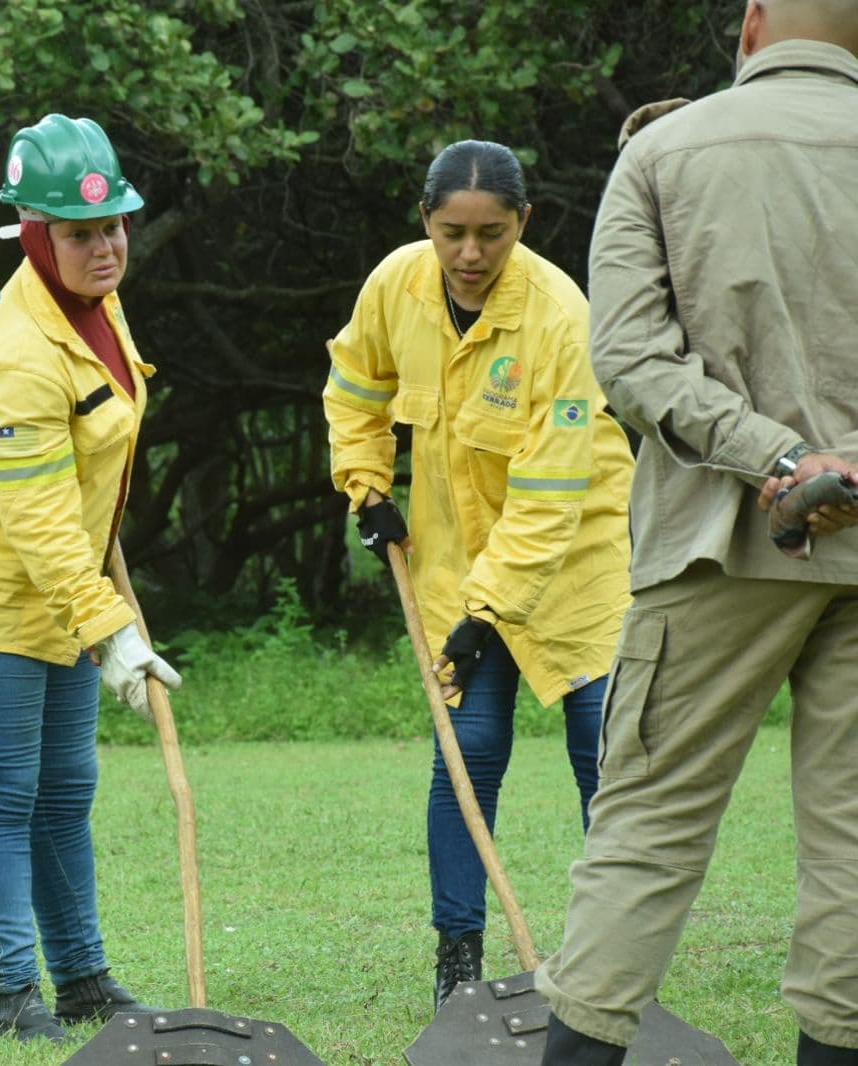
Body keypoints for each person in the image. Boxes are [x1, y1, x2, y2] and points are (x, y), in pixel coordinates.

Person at [534, 1, 858, 1062]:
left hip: (717, 540)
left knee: (647, 828)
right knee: (855, 846)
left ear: (754, 23)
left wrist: (780, 458)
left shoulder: (664, 150)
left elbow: (626, 358)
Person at [322, 139, 635, 1011]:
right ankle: (458, 962)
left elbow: (552, 490)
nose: (469, 254)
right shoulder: (395, 285)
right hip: (454, 567)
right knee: (467, 756)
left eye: (491, 234)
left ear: (522, 223)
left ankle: (610, 962)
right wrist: (368, 481)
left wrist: (489, 611)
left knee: (603, 760)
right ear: (425, 220)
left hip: (578, 564)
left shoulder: (561, 318)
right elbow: (354, 386)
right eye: (452, 231)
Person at [0, 113, 180, 1044]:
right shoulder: (17, 353)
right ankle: (14, 993)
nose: (104, 248)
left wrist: (96, 613)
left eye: (112, 227)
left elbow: (84, 481)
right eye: (78, 234)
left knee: (67, 790)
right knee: (5, 792)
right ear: (33, 234)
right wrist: (113, 632)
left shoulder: (95, 303)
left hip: (57, 590)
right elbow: (37, 521)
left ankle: (87, 980)